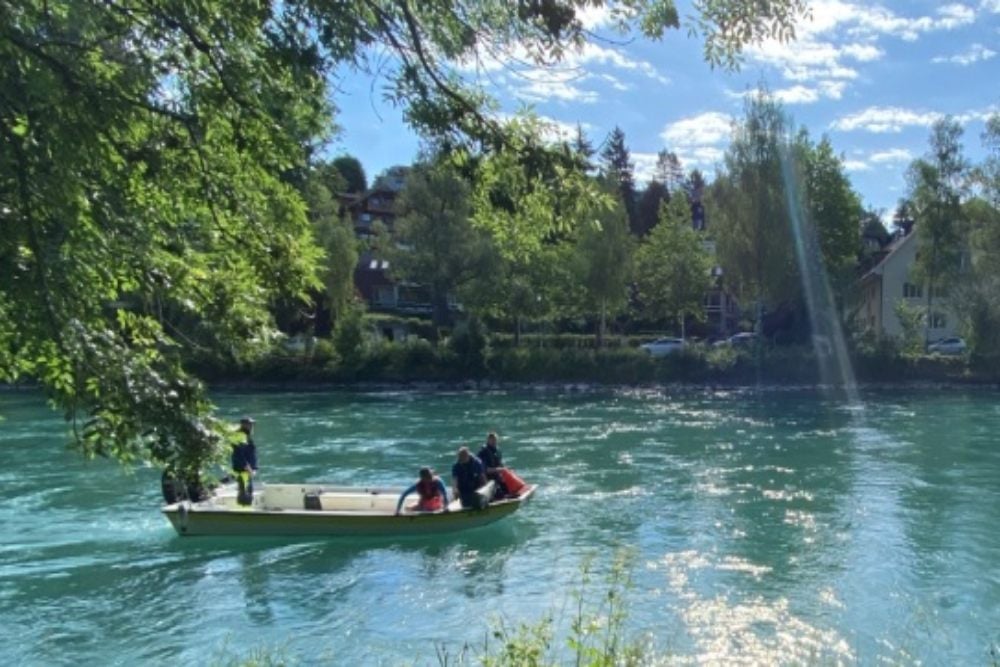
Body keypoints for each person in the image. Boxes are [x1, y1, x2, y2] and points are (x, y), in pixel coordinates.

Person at [231, 416, 258, 506]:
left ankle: (245, 512)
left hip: (245, 470)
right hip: (244, 470)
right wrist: (248, 468)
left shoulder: (245, 436)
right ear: (244, 425)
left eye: (252, 424)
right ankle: (245, 514)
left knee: (246, 491)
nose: (252, 426)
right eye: (250, 424)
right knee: (246, 494)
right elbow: (239, 454)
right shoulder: (241, 436)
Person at [477, 431, 509, 499]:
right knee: (499, 493)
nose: (494, 442)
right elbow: (485, 470)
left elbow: (500, 464)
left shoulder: (497, 450)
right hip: (486, 479)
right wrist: (499, 469)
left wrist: (505, 469)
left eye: (495, 440)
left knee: (507, 488)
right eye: (492, 440)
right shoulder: (483, 452)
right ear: (488, 440)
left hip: (496, 477)